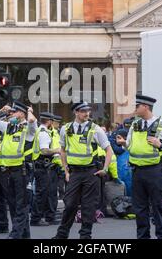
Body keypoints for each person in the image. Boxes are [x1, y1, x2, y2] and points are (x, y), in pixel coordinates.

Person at [52, 101, 113, 239]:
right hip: (74, 173)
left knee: (88, 207)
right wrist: (66, 171)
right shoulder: (65, 129)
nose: (87, 113)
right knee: (70, 204)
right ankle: (62, 235)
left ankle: (85, 236)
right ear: (76, 112)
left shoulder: (95, 129)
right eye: (83, 111)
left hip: (91, 172)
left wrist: (105, 169)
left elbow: (109, 150)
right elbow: (62, 150)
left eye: (88, 110)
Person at [116, 95, 162, 239]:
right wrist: (124, 144)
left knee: (158, 206)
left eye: (137, 106)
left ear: (146, 107)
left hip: (154, 171)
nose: (135, 109)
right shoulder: (134, 125)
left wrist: (160, 145)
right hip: (137, 172)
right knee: (140, 209)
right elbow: (130, 146)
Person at [0, 101, 37, 239]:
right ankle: (24, 235)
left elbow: (32, 120)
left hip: (22, 171)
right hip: (9, 170)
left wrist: (29, 111)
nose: (11, 115)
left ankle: (15, 235)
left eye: (14, 112)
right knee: (13, 204)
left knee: (21, 205)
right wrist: (1, 111)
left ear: (21, 114)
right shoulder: (9, 126)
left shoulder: (28, 128)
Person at [30, 112, 60, 226]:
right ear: (49, 122)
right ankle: (36, 218)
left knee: (46, 193)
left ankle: (46, 216)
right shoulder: (43, 133)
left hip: (43, 166)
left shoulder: (41, 131)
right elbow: (44, 150)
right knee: (41, 193)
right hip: (42, 166)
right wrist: (57, 150)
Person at [48, 114, 64, 222]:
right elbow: (54, 150)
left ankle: (53, 211)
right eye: (56, 122)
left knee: (56, 190)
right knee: (51, 191)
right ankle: (51, 213)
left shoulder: (57, 132)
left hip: (59, 165)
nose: (58, 124)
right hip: (52, 165)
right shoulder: (51, 132)